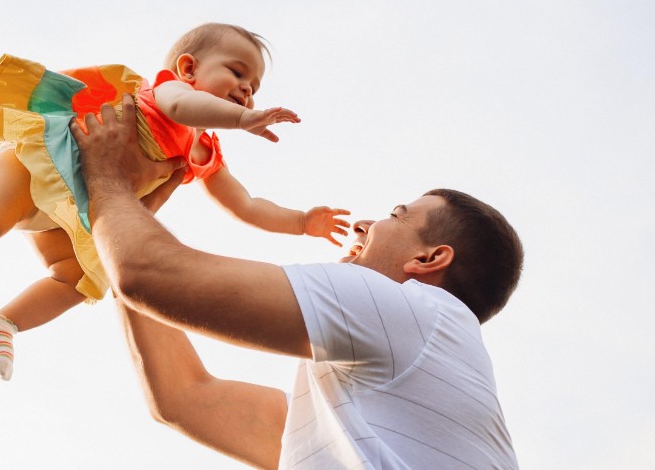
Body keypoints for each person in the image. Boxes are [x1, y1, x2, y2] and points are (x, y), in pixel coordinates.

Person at [0, 23, 350, 381]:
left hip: (71, 210)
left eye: (255, 87)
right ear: (188, 69)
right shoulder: (167, 92)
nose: (246, 90)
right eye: (238, 73)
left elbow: (244, 203)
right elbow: (185, 108)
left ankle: (4, 322)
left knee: (79, 279)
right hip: (39, 163)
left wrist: (302, 221)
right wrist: (242, 119)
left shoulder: (204, 152)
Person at [71, 94, 524, 469]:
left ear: (429, 258)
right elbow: (185, 396)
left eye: (394, 216)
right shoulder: (348, 413)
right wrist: (126, 217)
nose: (364, 225)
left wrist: (108, 181)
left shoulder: (415, 311)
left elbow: (146, 274)